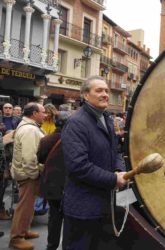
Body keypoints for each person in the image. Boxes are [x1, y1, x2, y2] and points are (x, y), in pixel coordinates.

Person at [61, 76, 127, 249]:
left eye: (106, 90)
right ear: (85, 95)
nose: (105, 94)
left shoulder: (107, 120)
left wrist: (121, 170)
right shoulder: (76, 123)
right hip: (83, 209)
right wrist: (113, 179)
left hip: (103, 206)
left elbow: (116, 152)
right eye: (99, 90)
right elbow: (78, 166)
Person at [9, 102, 46, 250]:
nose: (45, 114)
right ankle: (16, 238)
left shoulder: (29, 127)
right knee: (24, 206)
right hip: (28, 175)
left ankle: (23, 231)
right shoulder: (30, 130)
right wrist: (35, 174)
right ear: (34, 113)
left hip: (26, 174)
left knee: (28, 206)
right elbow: (29, 158)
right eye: (42, 112)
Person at [37, 112, 70, 250]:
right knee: (70, 219)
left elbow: (40, 159)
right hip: (69, 185)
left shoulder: (46, 140)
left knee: (54, 218)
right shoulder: (74, 140)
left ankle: (51, 246)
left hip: (52, 184)